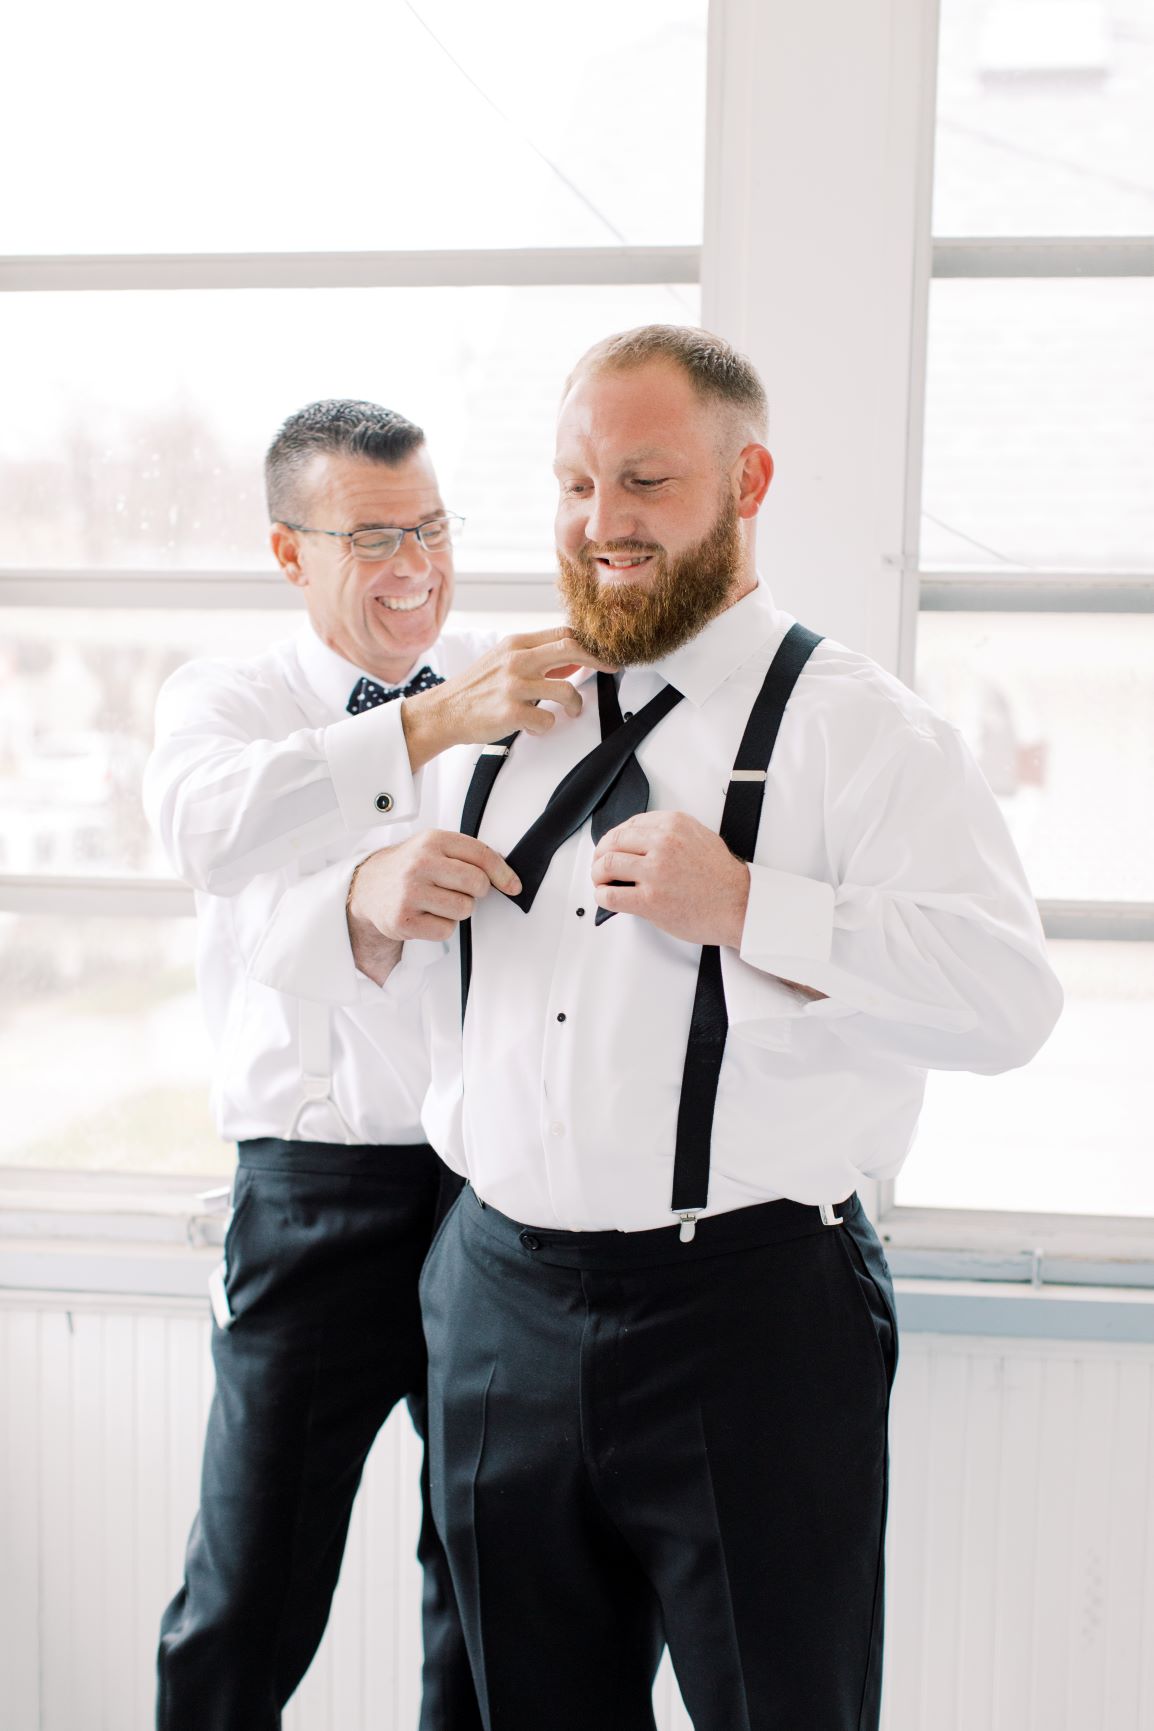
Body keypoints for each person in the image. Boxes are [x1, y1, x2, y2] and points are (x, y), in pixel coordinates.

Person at [254, 334, 1063, 1731]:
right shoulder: (497, 714)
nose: (598, 520)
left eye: (642, 479)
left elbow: (1008, 1003)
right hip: (495, 1302)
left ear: (742, 481)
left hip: (748, 1321)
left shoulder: (857, 731)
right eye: (573, 482)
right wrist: (364, 908)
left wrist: (757, 906)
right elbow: (282, 960)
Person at [143, 397, 604, 1731]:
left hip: (501, 1197)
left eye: (436, 528)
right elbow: (213, 846)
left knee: (491, 1576)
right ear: (291, 554)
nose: (418, 565)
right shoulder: (228, 699)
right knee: (250, 1587)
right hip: (316, 1197)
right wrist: (400, 783)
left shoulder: (510, 682)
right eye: (376, 536)